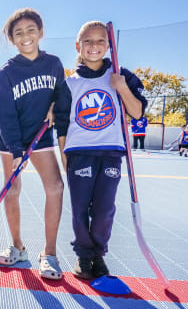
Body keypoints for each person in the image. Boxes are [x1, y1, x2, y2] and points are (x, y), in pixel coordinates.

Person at [54, 21, 148, 280]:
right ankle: (84, 256)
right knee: (80, 208)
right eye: (88, 41)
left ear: (108, 46)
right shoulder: (68, 84)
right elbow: (61, 127)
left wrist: (122, 87)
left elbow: (137, 112)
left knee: (105, 209)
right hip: (79, 153)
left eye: (100, 41)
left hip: (110, 152)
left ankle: (98, 254)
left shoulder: (122, 75)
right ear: (78, 46)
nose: (94, 46)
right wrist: (65, 160)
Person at [0, 8, 65, 280]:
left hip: (42, 134)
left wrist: (56, 107)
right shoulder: (7, 73)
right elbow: (6, 114)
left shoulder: (54, 64)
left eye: (30, 30)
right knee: (12, 190)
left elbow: (61, 93)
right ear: (12, 39)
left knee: (56, 187)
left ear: (41, 32)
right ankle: (18, 247)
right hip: (12, 138)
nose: (25, 37)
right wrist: (16, 150)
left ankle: (49, 255)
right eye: (18, 33)